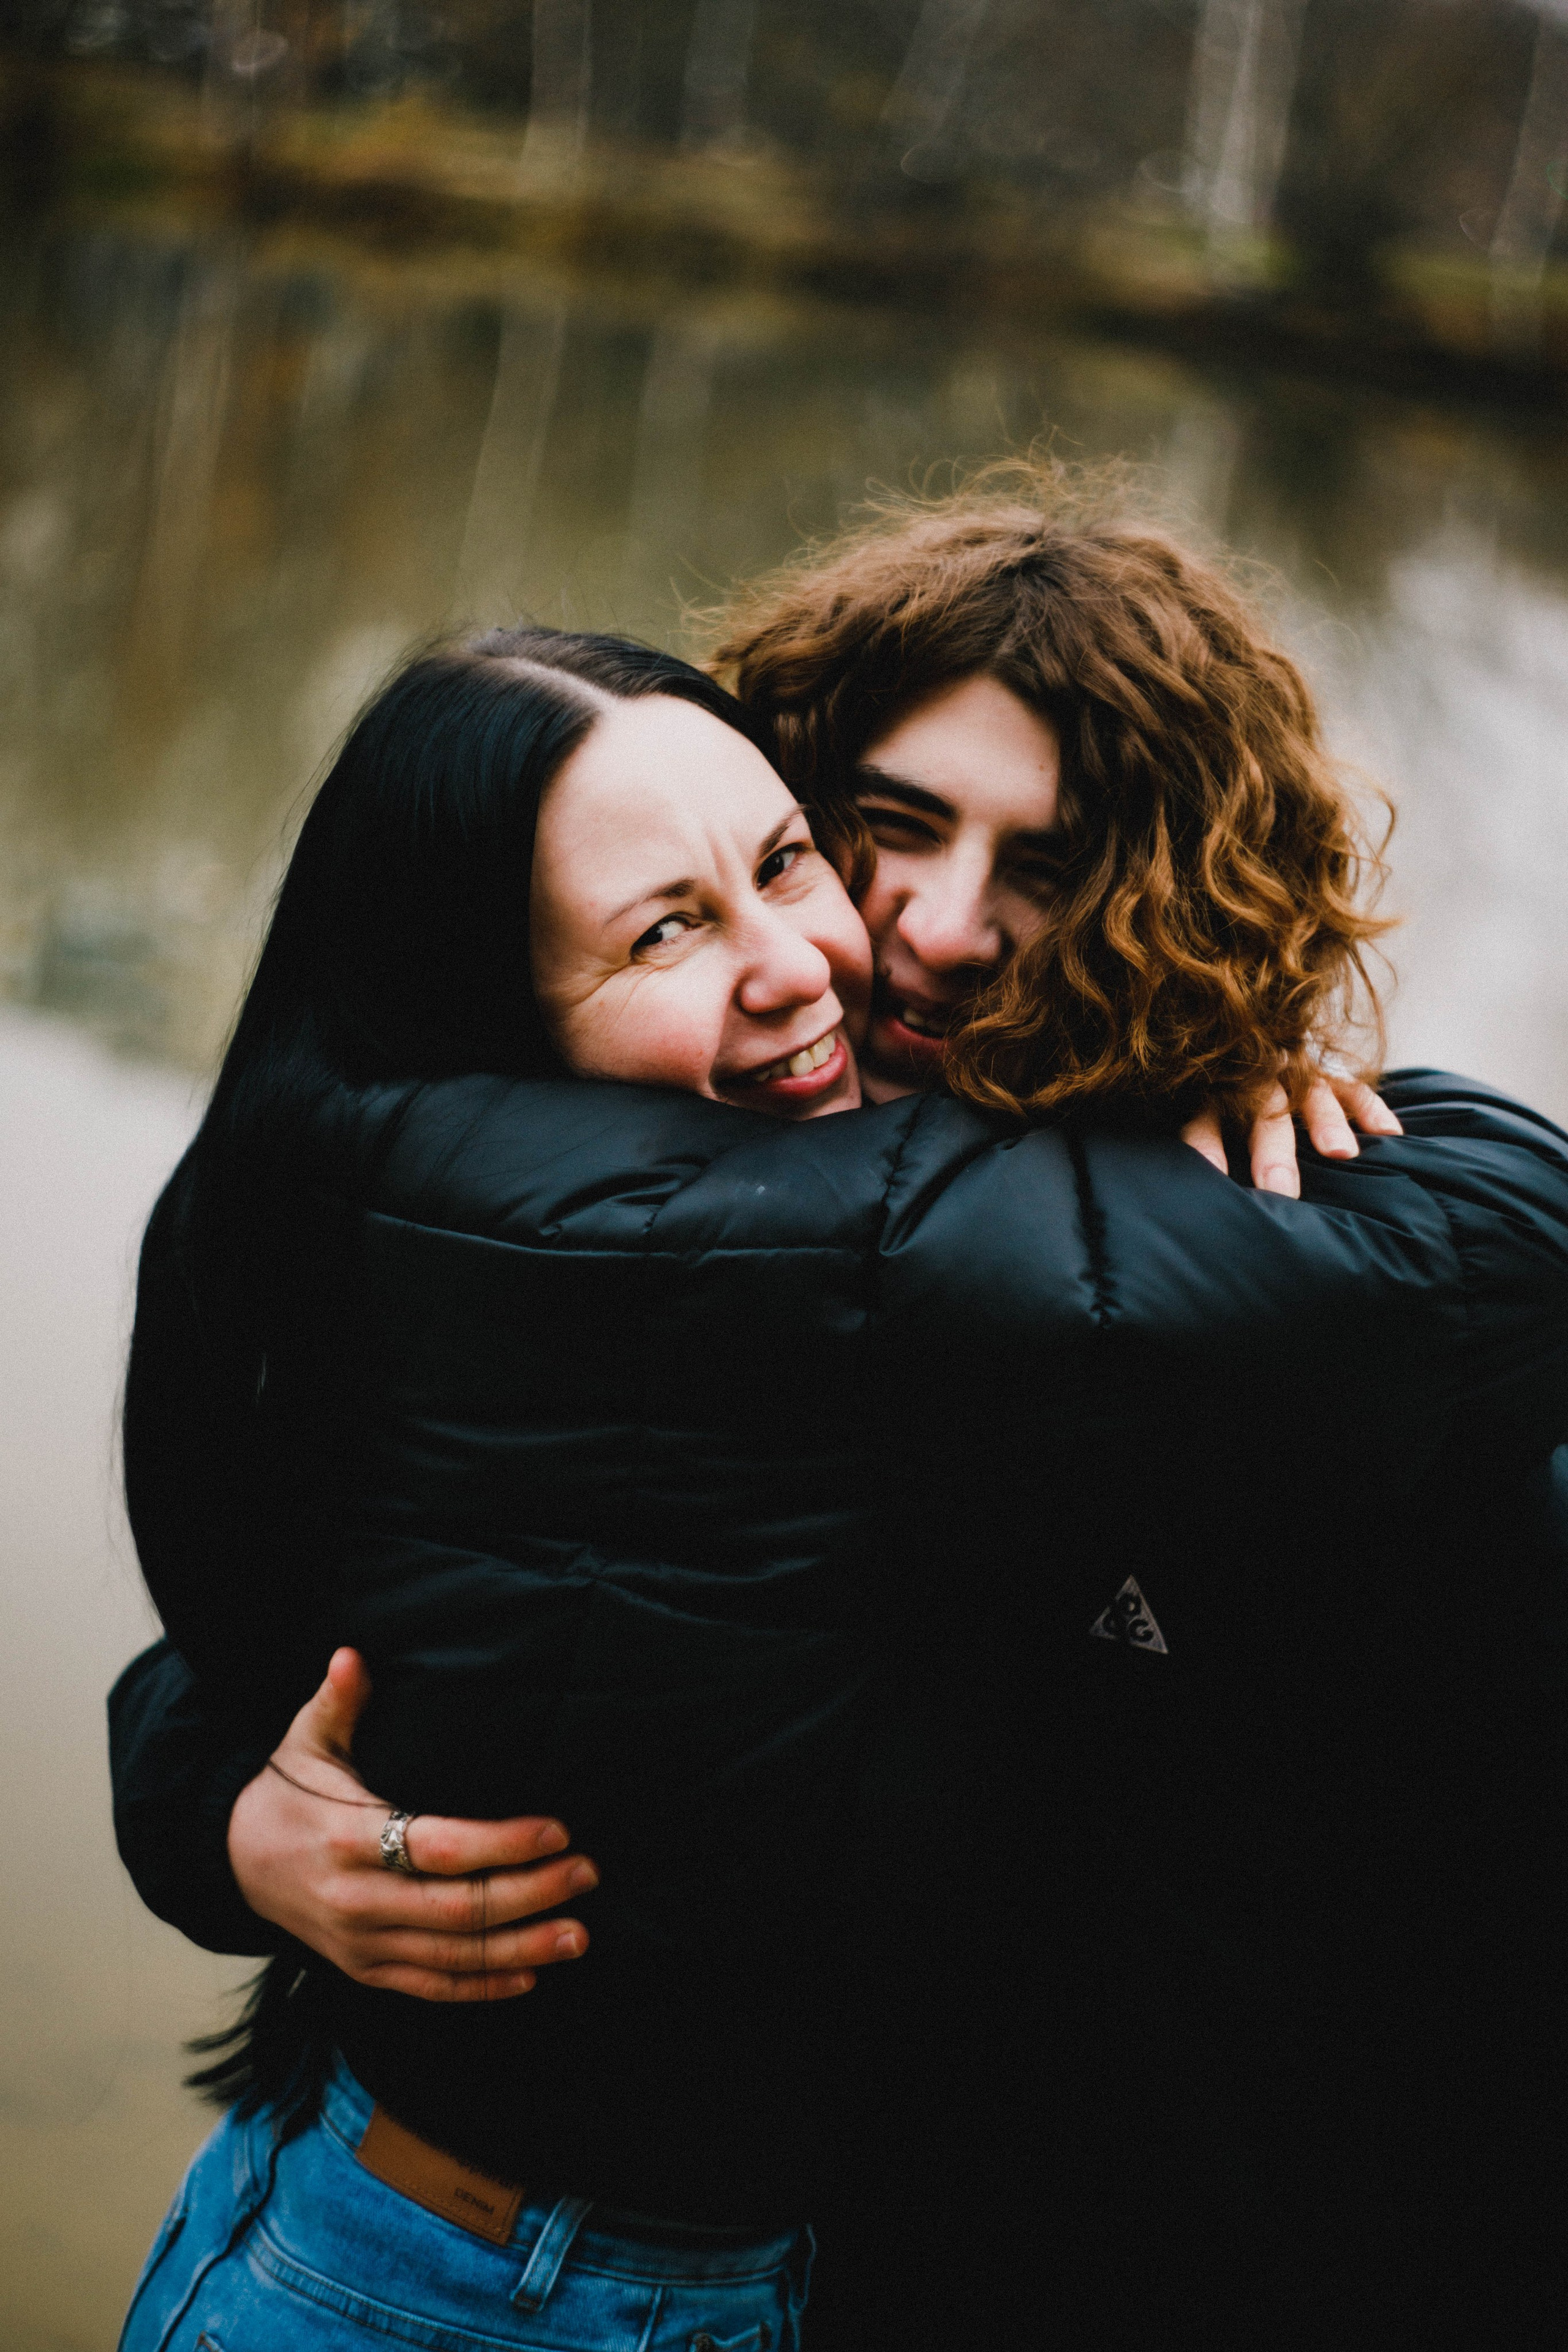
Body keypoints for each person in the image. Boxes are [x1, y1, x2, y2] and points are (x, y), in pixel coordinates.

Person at [110, 555, 1568, 2341]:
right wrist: (236, 1820)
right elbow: (325, 1588)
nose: (941, 931)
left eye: (1046, 865)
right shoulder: (619, 1194)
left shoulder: (1298, 1294)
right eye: (888, 826)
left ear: (1177, 895)